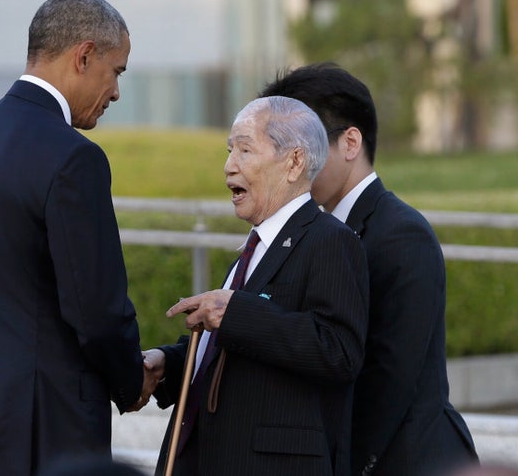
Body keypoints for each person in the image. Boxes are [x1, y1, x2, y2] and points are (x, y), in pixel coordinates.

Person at [0, 0, 154, 475]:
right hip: (46, 426)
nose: (115, 92)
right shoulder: (74, 156)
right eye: (116, 72)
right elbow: (95, 310)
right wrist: (131, 379)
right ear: (84, 55)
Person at [260, 62, 479, 476]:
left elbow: (390, 376)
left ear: (350, 142)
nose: (292, 163)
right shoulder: (308, 231)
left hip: (407, 460)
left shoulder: (400, 233)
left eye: (303, 146)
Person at [143, 95, 370, 475]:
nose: (229, 166)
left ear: (294, 162)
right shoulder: (256, 245)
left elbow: (339, 351)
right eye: (230, 151)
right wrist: (169, 362)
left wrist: (234, 311)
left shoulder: (330, 240)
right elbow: (233, 351)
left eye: (245, 150)